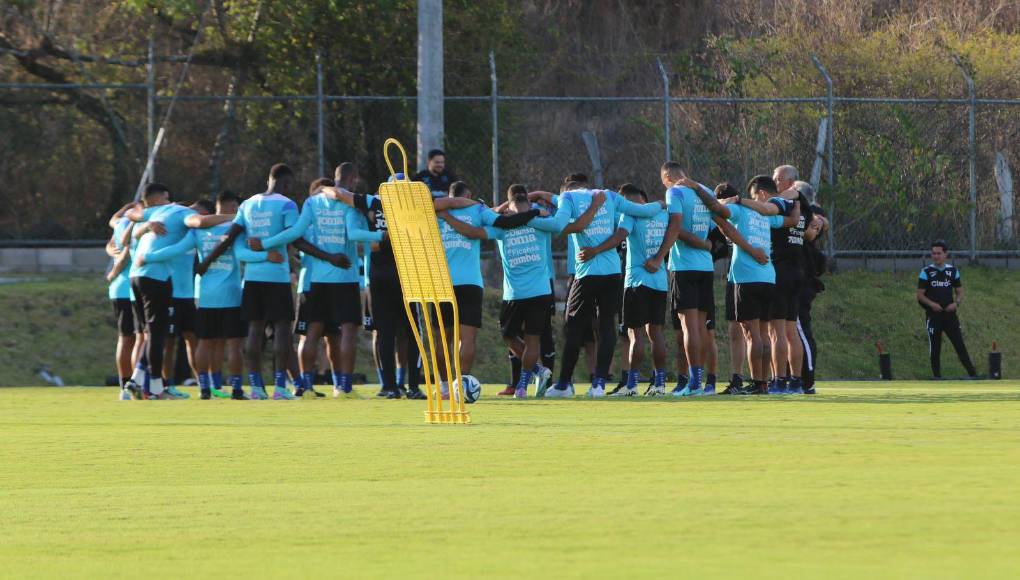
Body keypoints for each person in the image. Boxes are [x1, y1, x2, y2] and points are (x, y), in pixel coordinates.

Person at [442, 185, 603, 398]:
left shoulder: (517, 224)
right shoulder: (535, 223)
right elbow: (566, 218)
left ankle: (522, 386)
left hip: (531, 292)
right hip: (520, 293)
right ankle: (536, 372)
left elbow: (473, 231)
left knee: (530, 339)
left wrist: (450, 217)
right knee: (511, 336)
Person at [137, 191, 277, 400]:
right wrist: (267, 254)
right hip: (230, 293)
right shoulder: (236, 229)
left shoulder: (196, 232)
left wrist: (147, 256)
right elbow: (241, 254)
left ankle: (205, 389)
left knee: (205, 342)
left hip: (204, 295)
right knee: (233, 343)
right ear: (232, 209)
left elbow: (177, 249)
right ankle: (237, 389)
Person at [545, 179, 666, 398]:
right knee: (606, 326)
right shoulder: (608, 195)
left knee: (574, 327)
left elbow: (558, 226)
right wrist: (660, 203)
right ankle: (599, 384)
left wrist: (570, 221)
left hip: (587, 273)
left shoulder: (569, 198)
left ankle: (564, 384)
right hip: (612, 273)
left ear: (566, 192)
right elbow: (642, 210)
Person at [198, 164, 304, 400]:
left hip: (252, 280)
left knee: (254, 331)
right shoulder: (287, 204)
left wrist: (206, 261)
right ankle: (280, 388)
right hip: (276, 277)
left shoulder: (247, 205)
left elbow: (230, 238)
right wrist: (268, 248)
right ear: (286, 183)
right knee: (282, 331)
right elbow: (294, 236)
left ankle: (256, 387)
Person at [433, 181, 545, 397]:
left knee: (442, 339)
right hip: (470, 283)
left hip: (441, 282)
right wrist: (534, 213)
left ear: (450, 195)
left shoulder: (436, 212)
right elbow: (505, 223)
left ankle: (445, 387)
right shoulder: (477, 209)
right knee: (466, 339)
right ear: (469, 195)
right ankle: (461, 385)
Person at [691, 175, 799, 395]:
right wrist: (797, 204)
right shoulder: (764, 215)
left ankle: (758, 382)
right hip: (768, 277)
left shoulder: (740, 210)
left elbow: (725, 221)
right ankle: (764, 383)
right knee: (764, 333)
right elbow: (792, 221)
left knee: (752, 335)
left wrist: (701, 195)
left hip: (747, 278)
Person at [125, 183, 197, 399]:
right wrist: (230, 217)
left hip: (136, 276)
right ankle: (155, 388)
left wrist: (146, 226)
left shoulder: (157, 213)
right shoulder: (182, 213)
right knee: (157, 334)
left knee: (150, 334)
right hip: (155, 277)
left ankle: (134, 382)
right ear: (165, 196)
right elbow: (198, 222)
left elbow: (131, 215)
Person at [653, 163, 717, 396]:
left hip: (684, 266)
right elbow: (712, 226)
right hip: (706, 266)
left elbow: (675, 225)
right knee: (700, 328)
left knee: (689, 328)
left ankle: (694, 383)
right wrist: (703, 244)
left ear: (668, 177)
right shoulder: (706, 191)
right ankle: (700, 383)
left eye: (664, 182)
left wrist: (660, 256)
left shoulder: (675, 192)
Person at [917, 241, 978, 379]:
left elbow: (960, 291)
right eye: (933, 253)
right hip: (934, 316)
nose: (936, 256)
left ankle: (973, 375)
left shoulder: (953, 271)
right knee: (935, 348)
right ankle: (937, 377)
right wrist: (932, 304)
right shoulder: (926, 272)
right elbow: (920, 295)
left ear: (945, 254)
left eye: (939, 253)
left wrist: (956, 303)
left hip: (950, 316)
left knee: (959, 345)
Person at [106, 204, 141, 400]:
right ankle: (133, 385)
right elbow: (126, 252)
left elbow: (113, 220)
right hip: (131, 288)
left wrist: (128, 206)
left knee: (127, 338)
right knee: (136, 338)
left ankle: (126, 385)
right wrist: (114, 271)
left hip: (120, 289)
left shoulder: (120, 222)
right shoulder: (138, 223)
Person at [799, 188, 828, 394]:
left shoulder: (810, 211)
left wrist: (817, 221)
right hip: (791, 274)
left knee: (801, 329)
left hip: (802, 278)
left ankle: (807, 380)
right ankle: (788, 378)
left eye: (779, 178)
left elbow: (820, 221)